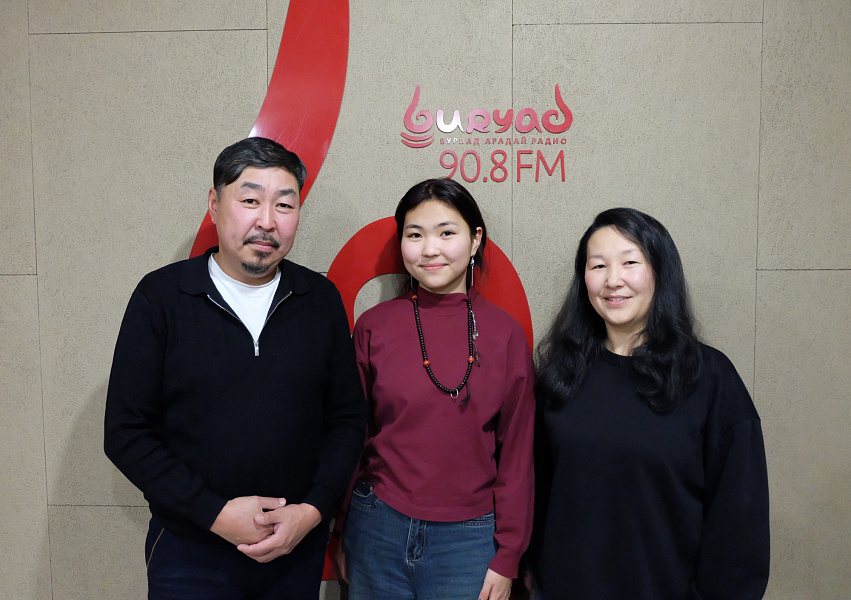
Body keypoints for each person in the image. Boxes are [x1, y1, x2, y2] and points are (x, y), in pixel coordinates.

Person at [103, 137, 367, 600]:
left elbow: (347, 419)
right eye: (250, 201)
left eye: (284, 204)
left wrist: (311, 511)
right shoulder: (162, 297)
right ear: (214, 204)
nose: (267, 221)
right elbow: (126, 433)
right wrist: (214, 513)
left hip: (293, 549)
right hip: (189, 552)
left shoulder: (319, 299)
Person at [527, 207, 770, 599]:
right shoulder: (561, 373)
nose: (613, 280)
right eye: (598, 265)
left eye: (630, 262)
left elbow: (739, 519)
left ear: (660, 271)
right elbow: (537, 488)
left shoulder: (709, 377)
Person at [335, 178, 536, 600]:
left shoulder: (505, 335)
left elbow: (517, 454)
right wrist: (342, 529)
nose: (430, 249)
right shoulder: (373, 327)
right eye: (415, 235)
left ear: (475, 239)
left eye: (446, 233)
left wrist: (508, 555)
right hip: (377, 527)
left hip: (470, 541)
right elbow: (353, 436)